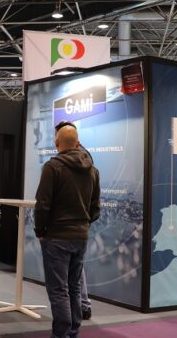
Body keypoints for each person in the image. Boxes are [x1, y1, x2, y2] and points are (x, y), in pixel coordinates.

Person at [34, 124, 100, 338]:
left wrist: (40, 230)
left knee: (58, 290)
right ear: (78, 143)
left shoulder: (52, 167)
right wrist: (83, 225)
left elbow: (42, 204)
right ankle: (73, 332)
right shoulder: (93, 170)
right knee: (74, 288)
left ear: (56, 142)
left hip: (56, 237)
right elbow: (95, 207)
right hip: (80, 236)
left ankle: (61, 334)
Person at [54, 121, 94, 320]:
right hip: (80, 226)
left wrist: (42, 230)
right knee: (75, 272)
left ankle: (75, 313)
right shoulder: (87, 159)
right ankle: (82, 307)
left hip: (64, 228)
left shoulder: (61, 162)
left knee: (62, 283)